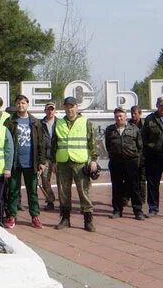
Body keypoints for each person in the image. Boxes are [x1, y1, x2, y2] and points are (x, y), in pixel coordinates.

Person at [51, 96, 98, 232]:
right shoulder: (58, 123)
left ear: (76, 107)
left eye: (72, 106)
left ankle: (88, 220)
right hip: (63, 162)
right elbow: (54, 144)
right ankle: (65, 219)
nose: (69, 109)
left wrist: (93, 160)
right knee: (64, 192)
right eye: (67, 106)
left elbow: (92, 142)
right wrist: (53, 161)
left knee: (84, 192)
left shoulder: (85, 122)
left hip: (80, 163)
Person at [5, 94, 46, 229]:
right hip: (14, 163)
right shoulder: (10, 121)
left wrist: (41, 161)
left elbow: (41, 143)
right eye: (18, 103)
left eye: (23, 103)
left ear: (27, 105)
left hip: (31, 163)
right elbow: (5, 142)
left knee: (32, 192)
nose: (20, 105)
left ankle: (35, 217)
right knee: (13, 191)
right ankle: (11, 216)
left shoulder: (35, 122)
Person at [105, 107, 144, 220]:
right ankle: (117, 210)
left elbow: (140, 146)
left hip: (131, 162)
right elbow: (108, 145)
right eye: (117, 116)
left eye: (121, 116)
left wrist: (137, 161)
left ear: (126, 117)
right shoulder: (110, 130)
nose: (119, 118)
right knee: (116, 187)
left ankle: (138, 211)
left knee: (134, 187)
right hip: (116, 162)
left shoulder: (134, 129)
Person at [40, 102, 58, 211]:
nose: (50, 111)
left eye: (52, 109)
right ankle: (50, 201)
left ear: (55, 111)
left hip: (58, 157)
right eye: (48, 109)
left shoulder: (60, 123)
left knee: (61, 181)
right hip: (45, 157)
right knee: (45, 180)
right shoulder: (40, 123)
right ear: (45, 110)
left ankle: (65, 203)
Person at [129, 105, 147, 205]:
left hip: (143, 156)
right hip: (131, 156)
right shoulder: (128, 125)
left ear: (140, 114)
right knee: (129, 179)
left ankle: (142, 199)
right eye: (132, 113)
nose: (133, 115)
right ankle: (127, 198)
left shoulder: (146, 125)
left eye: (135, 113)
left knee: (142, 179)